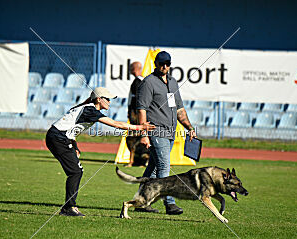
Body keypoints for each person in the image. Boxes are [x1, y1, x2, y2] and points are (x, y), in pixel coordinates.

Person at [46, 87, 156, 216]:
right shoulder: (90, 110)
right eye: (107, 99)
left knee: (76, 171)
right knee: (76, 172)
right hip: (58, 138)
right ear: (99, 99)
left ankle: (69, 207)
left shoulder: (87, 108)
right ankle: (68, 208)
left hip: (58, 137)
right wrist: (140, 127)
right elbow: (116, 124)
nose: (109, 102)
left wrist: (74, 145)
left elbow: (71, 128)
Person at [136, 51, 197, 215]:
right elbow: (141, 109)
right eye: (162, 63)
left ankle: (141, 200)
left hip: (170, 132)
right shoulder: (148, 83)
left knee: (154, 168)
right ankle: (170, 203)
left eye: (168, 63)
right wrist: (144, 134)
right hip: (155, 131)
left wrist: (190, 128)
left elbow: (179, 109)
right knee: (164, 167)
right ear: (156, 63)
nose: (165, 66)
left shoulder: (173, 82)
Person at [126, 61, 149, 167]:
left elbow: (140, 100)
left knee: (135, 138)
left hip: (137, 115)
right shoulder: (139, 81)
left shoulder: (139, 81)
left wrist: (135, 115)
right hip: (136, 114)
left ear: (135, 69)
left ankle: (142, 160)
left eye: (131, 68)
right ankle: (137, 160)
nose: (130, 70)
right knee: (134, 138)